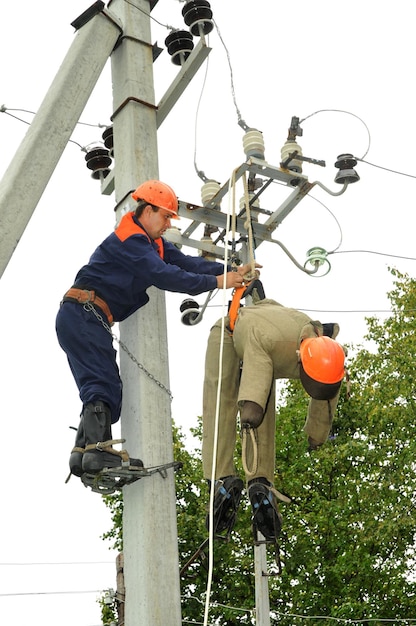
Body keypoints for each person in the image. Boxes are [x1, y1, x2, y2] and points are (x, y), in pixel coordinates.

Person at [56, 179, 257, 480]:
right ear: (147, 211)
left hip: (81, 315)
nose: (167, 224)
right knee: (103, 383)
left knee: (99, 383)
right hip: (84, 312)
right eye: (165, 217)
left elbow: (188, 263)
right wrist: (219, 283)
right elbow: (165, 276)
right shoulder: (131, 240)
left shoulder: (154, 243)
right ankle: (97, 452)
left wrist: (229, 271)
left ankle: (84, 454)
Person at [202, 293, 346, 542]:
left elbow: (327, 394)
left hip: (270, 341)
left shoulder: (330, 354)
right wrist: (250, 412)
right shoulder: (271, 340)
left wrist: (317, 435)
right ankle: (221, 478)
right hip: (230, 333)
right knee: (222, 400)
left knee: (263, 396)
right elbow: (254, 386)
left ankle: (260, 484)